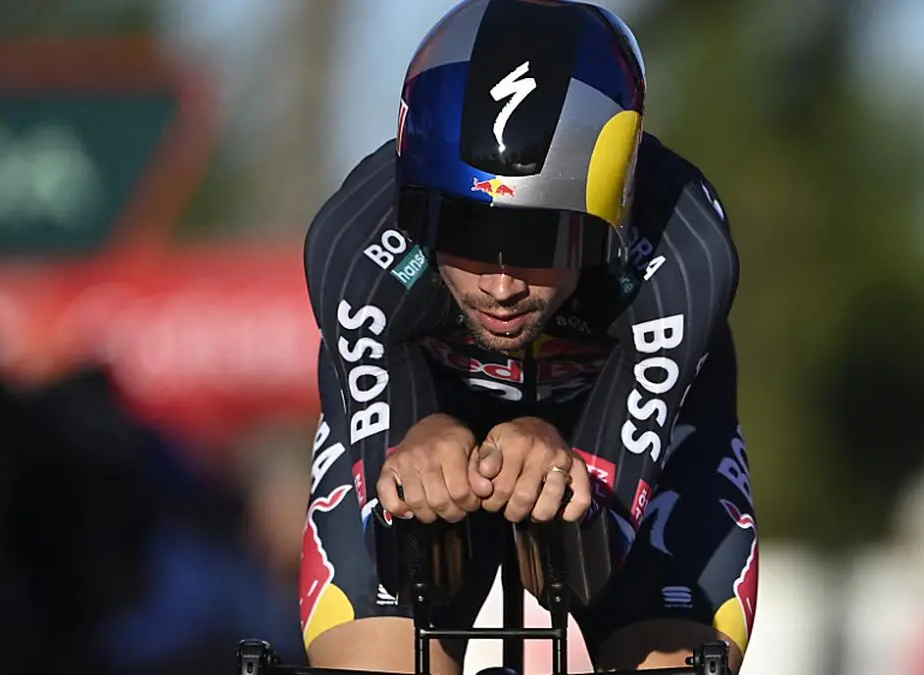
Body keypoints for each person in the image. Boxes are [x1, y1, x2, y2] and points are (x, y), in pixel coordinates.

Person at [301, 0, 755, 672]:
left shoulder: (683, 255)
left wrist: (557, 456)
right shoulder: (354, 248)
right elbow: (400, 546)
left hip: (632, 435)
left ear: (615, 209)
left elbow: (593, 551)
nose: (501, 284)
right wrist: (422, 436)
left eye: (544, 237)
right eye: (463, 229)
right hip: (431, 405)